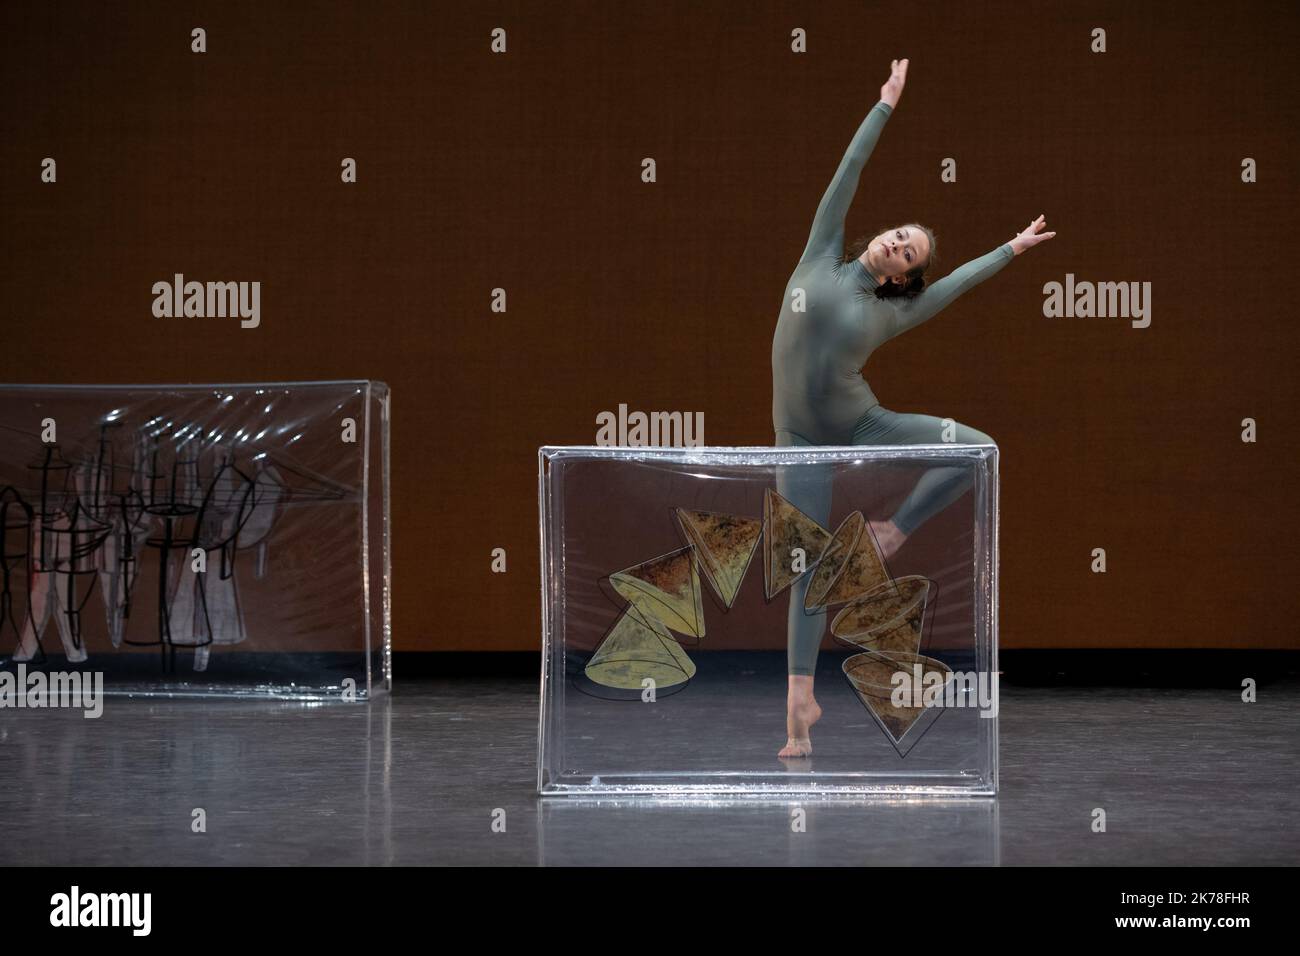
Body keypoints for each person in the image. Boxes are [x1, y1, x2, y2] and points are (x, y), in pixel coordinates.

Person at [770, 58, 1055, 757]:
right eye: (900, 232)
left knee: (976, 447)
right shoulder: (821, 255)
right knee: (804, 560)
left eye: (909, 252)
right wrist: (885, 106)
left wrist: (1011, 249)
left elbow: (956, 283)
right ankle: (799, 701)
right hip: (798, 436)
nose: (898, 242)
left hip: (862, 421)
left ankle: (894, 531)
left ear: (905, 276)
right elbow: (848, 172)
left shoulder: (895, 311)